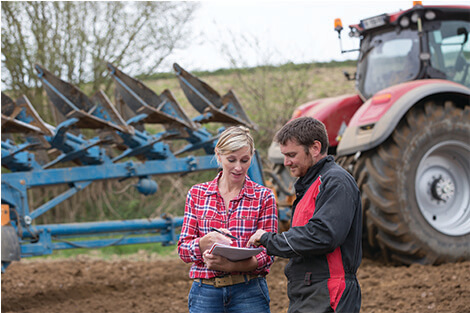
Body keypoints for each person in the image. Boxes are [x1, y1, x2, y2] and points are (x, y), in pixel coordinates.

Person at [248, 117, 362, 313]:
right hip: (310, 290)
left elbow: (323, 235)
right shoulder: (310, 185)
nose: (286, 162)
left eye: (292, 154)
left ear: (315, 148)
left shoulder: (335, 182)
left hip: (329, 291)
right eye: (284, 155)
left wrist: (269, 240)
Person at [178, 125, 278, 313]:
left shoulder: (264, 197)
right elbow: (183, 249)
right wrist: (203, 243)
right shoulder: (197, 194)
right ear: (218, 155)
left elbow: (269, 252)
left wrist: (235, 265)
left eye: (245, 160)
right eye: (231, 159)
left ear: (252, 157)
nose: (238, 167)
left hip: (249, 291)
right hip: (205, 291)